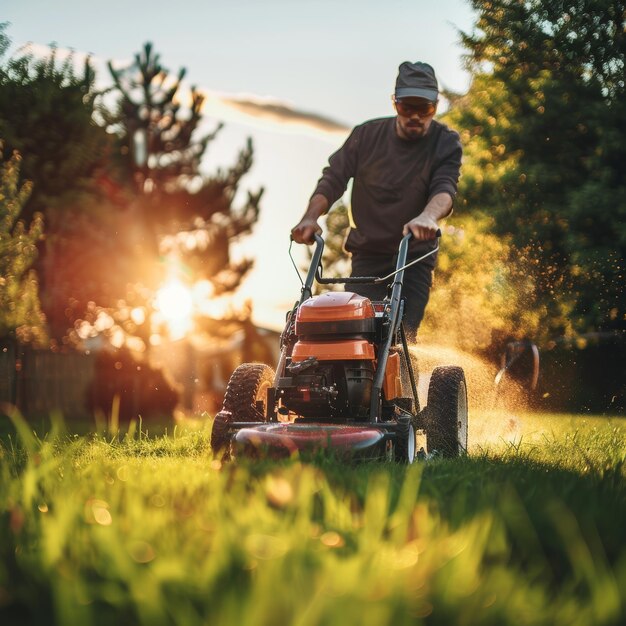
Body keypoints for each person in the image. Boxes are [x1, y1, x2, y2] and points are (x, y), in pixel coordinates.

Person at [291, 61, 462, 341]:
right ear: (395, 103)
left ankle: (402, 383)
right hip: (368, 254)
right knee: (354, 331)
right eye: (408, 107)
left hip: (414, 255)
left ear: (436, 106)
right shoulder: (366, 136)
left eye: (425, 109)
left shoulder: (445, 142)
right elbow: (333, 179)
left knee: (401, 336)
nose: (416, 116)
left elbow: (444, 189)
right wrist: (310, 218)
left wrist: (428, 217)